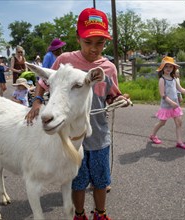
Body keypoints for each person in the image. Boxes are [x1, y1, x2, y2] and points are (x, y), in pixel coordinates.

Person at [26, 8, 130, 220]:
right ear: (78, 38)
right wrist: (37, 101)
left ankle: (101, 213)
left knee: (101, 179)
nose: (94, 48)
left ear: (105, 42)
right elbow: (44, 82)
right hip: (70, 137)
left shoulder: (108, 68)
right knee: (77, 179)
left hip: (99, 133)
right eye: (88, 42)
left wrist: (119, 100)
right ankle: (79, 214)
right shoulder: (64, 61)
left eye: (100, 43)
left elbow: (111, 96)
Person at [149, 56, 185, 150]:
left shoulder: (174, 78)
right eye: (166, 66)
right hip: (167, 105)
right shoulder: (162, 79)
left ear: (173, 68)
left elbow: (180, 89)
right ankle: (153, 135)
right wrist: (171, 102)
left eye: (170, 67)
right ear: (162, 68)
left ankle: (179, 142)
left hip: (175, 105)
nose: (168, 69)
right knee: (162, 122)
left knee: (179, 122)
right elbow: (162, 95)